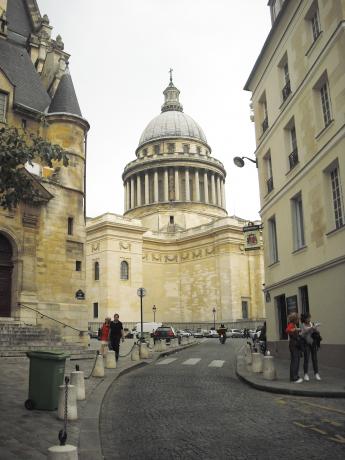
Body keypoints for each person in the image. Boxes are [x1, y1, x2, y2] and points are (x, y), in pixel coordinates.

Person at [300, 313, 321, 381]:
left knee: (314, 358)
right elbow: (304, 332)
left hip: (313, 343)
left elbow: (317, 332)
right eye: (307, 318)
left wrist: (316, 329)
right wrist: (312, 328)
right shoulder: (302, 325)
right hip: (306, 344)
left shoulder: (312, 323)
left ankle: (316, 373)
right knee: (306, 359)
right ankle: (306, 374)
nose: (309, 319)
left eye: (309, 318)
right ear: (304, 319)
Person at [286, 312, 303, 383]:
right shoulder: (291, 325)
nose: (298, 320)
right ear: (295, 319)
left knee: (295, 360)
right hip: (294, 345)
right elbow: (287, 330)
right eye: (297, 319)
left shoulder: (294, 325)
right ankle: (294, 378)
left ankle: (294, 375)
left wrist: (297, 330)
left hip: (294, 344)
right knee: (295, 361)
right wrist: (295, 330)